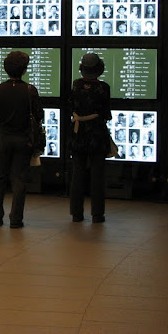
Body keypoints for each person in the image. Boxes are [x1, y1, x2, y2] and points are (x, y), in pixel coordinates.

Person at [0, 51, 43, 229]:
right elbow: (38, 115)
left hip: (4, 137)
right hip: (23, 139)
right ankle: (16, 219)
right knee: (19, 178)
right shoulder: (30, 90)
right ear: (24, 69)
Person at [69, 53, 112, 223]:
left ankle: (76, 213)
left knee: (77, 173)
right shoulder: (104, 87)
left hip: (78, 133)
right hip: (97, 134)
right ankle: (97, 214)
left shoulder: (76, 85)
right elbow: (106, 114)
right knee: (97, 174)